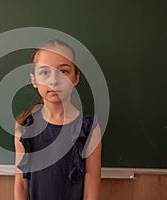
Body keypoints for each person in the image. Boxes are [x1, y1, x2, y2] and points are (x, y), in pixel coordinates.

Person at [14, 40, 102, 200]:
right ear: (34, 80)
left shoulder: (89, 129)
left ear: (76, 78)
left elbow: (91, 186)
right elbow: (21, 183)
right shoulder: (25, 126)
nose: (54, 81)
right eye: (45, 72)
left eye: (63, 72)